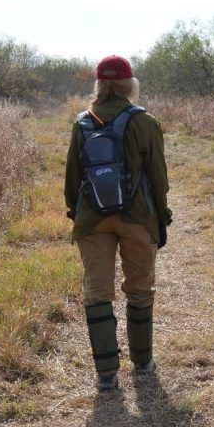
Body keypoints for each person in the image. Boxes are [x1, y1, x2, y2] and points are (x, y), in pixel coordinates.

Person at [64, 55, 172, 392]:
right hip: (137, 217)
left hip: (92, 219)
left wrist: (77, 213)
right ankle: (143, 362)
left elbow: (72, 179)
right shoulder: (145, 122)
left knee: (97, 293)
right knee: (139, 290)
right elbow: (158, 178)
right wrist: (161, 219)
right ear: (129, 85)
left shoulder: (82, 122)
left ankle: (107, 374)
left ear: (99, 84)